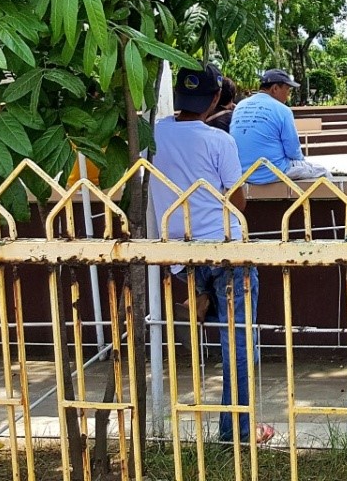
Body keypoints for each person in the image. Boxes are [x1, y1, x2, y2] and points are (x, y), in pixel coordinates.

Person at [150, 64, 274, 445]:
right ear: (216, 98)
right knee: (239, 344)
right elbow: (237, 201)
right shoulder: (219, 141)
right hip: (225, 249)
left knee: (215, 322)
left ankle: (197, 302)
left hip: (177, 250)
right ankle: (235, 430)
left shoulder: (153, 134)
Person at [230, 69, 330, 183]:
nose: (287, 96)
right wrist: (303, 164)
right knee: (324, 173)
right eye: (287, 90)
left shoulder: (240, 106)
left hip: (243, 173)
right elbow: (293, 151)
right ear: (275, 89)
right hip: (272, 172)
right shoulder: (283, 110)